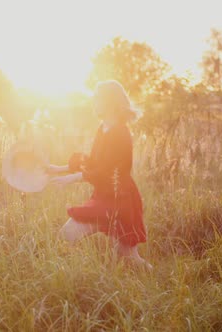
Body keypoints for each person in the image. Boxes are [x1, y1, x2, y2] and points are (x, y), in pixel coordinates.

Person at [46, 80, 151, 269]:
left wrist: (72, 179)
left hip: (121, 198)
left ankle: (154, 282)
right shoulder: (103, 129)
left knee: (127, 257)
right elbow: (93, 162)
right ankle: (71, 273)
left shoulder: (121, 133)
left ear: (109, 101)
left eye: (97, 98)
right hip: (104, 196)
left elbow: (109, 171)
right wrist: (59, 168)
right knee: (66, 236)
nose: (93, 101)